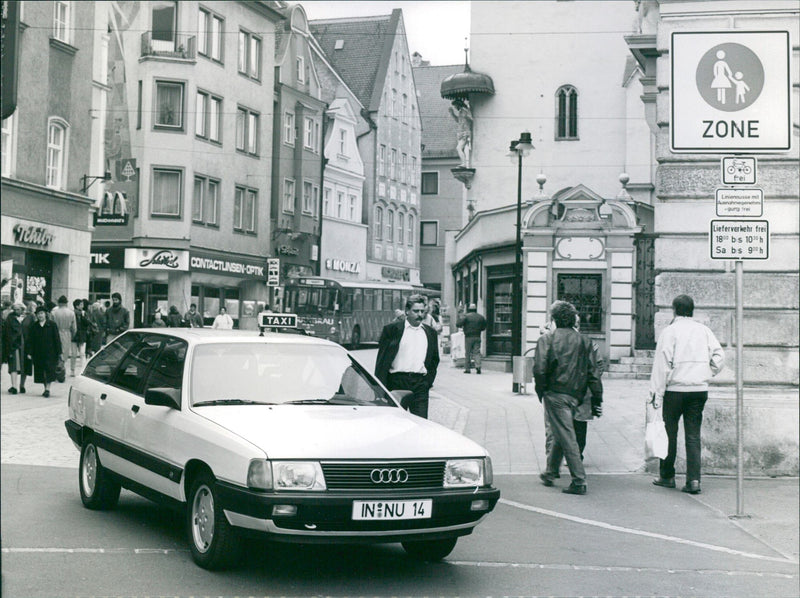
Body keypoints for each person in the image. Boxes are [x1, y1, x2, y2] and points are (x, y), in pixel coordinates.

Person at [649, 294, 725, 495]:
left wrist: (657, 393)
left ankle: (667, 476)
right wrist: (708, 372)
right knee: (693, 435)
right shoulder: (704, 331)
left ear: (674, 310)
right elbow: (719, 355)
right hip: (698, 390)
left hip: (675, 390)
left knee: (670, 434)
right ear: (692, 310)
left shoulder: (670, 332)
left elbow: (662, 364)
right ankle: (693, 480)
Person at [534, 301, 603, 495]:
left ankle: (579, 480)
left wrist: (542, 391)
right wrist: (597, 398)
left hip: (555, 393)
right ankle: (551, 472)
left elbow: (539, 369)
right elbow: (593, 373)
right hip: (576, 395)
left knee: (566, 435)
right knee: (560, 431)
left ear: (554, 319)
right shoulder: (585, 341)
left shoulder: (547, 339)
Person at [375, 294, 440, 419]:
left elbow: (434, 360)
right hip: (396, 382)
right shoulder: (392, 330)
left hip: (420, 384)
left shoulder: (430, 333)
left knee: (421, 423)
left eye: (422, 311)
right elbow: (382, 361)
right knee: (396, 422)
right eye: (415, 311)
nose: (419, 314)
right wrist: (380, 388)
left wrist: (428, 382)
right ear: (407, 311)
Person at [26, 304, 62, 397]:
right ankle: (45, 387)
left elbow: (57, 339)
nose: (40, 315)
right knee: (41, 371)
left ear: (46, 314)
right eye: (38, 314)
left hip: (51, 352)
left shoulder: (52, 325)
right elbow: (30, 340)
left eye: (41, 313)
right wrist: (29, 352)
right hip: (38, 353)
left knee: (49, 370)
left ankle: (47, 389)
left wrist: (59, 352)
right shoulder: (34, 326)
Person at [2, 303, 28, 394]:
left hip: (25, 345)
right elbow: (7, 333)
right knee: (13, 366)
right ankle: (14, 386)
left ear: (22, 309)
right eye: (15, 309)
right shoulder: (10, 318)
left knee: (24, 365)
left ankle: (22, 385)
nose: (16, 311)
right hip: (13, 345)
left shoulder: (28, 317)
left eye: (18, 309)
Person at [51, 295, 77, 376]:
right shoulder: (71, 313)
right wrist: (72, 335)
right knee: (64, 352)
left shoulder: (53, 313)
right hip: (67, 333)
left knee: (56, 352)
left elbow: (50, 325)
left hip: (55, 333)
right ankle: (61, 368)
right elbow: (74, 328)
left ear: (59, 303)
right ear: (66, 303)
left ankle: (57, 369)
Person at [457, 303, 487, 374]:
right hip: (477, 336)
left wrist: (460, 316)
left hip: (468, 337)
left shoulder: (466, 316)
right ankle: (478, 367)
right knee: (477, 352)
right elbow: (484, 327)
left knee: (468, 353)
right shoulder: (481, 317)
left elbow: (458, 324)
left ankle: (467, 369)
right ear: (475, 309)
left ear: (469, 309)